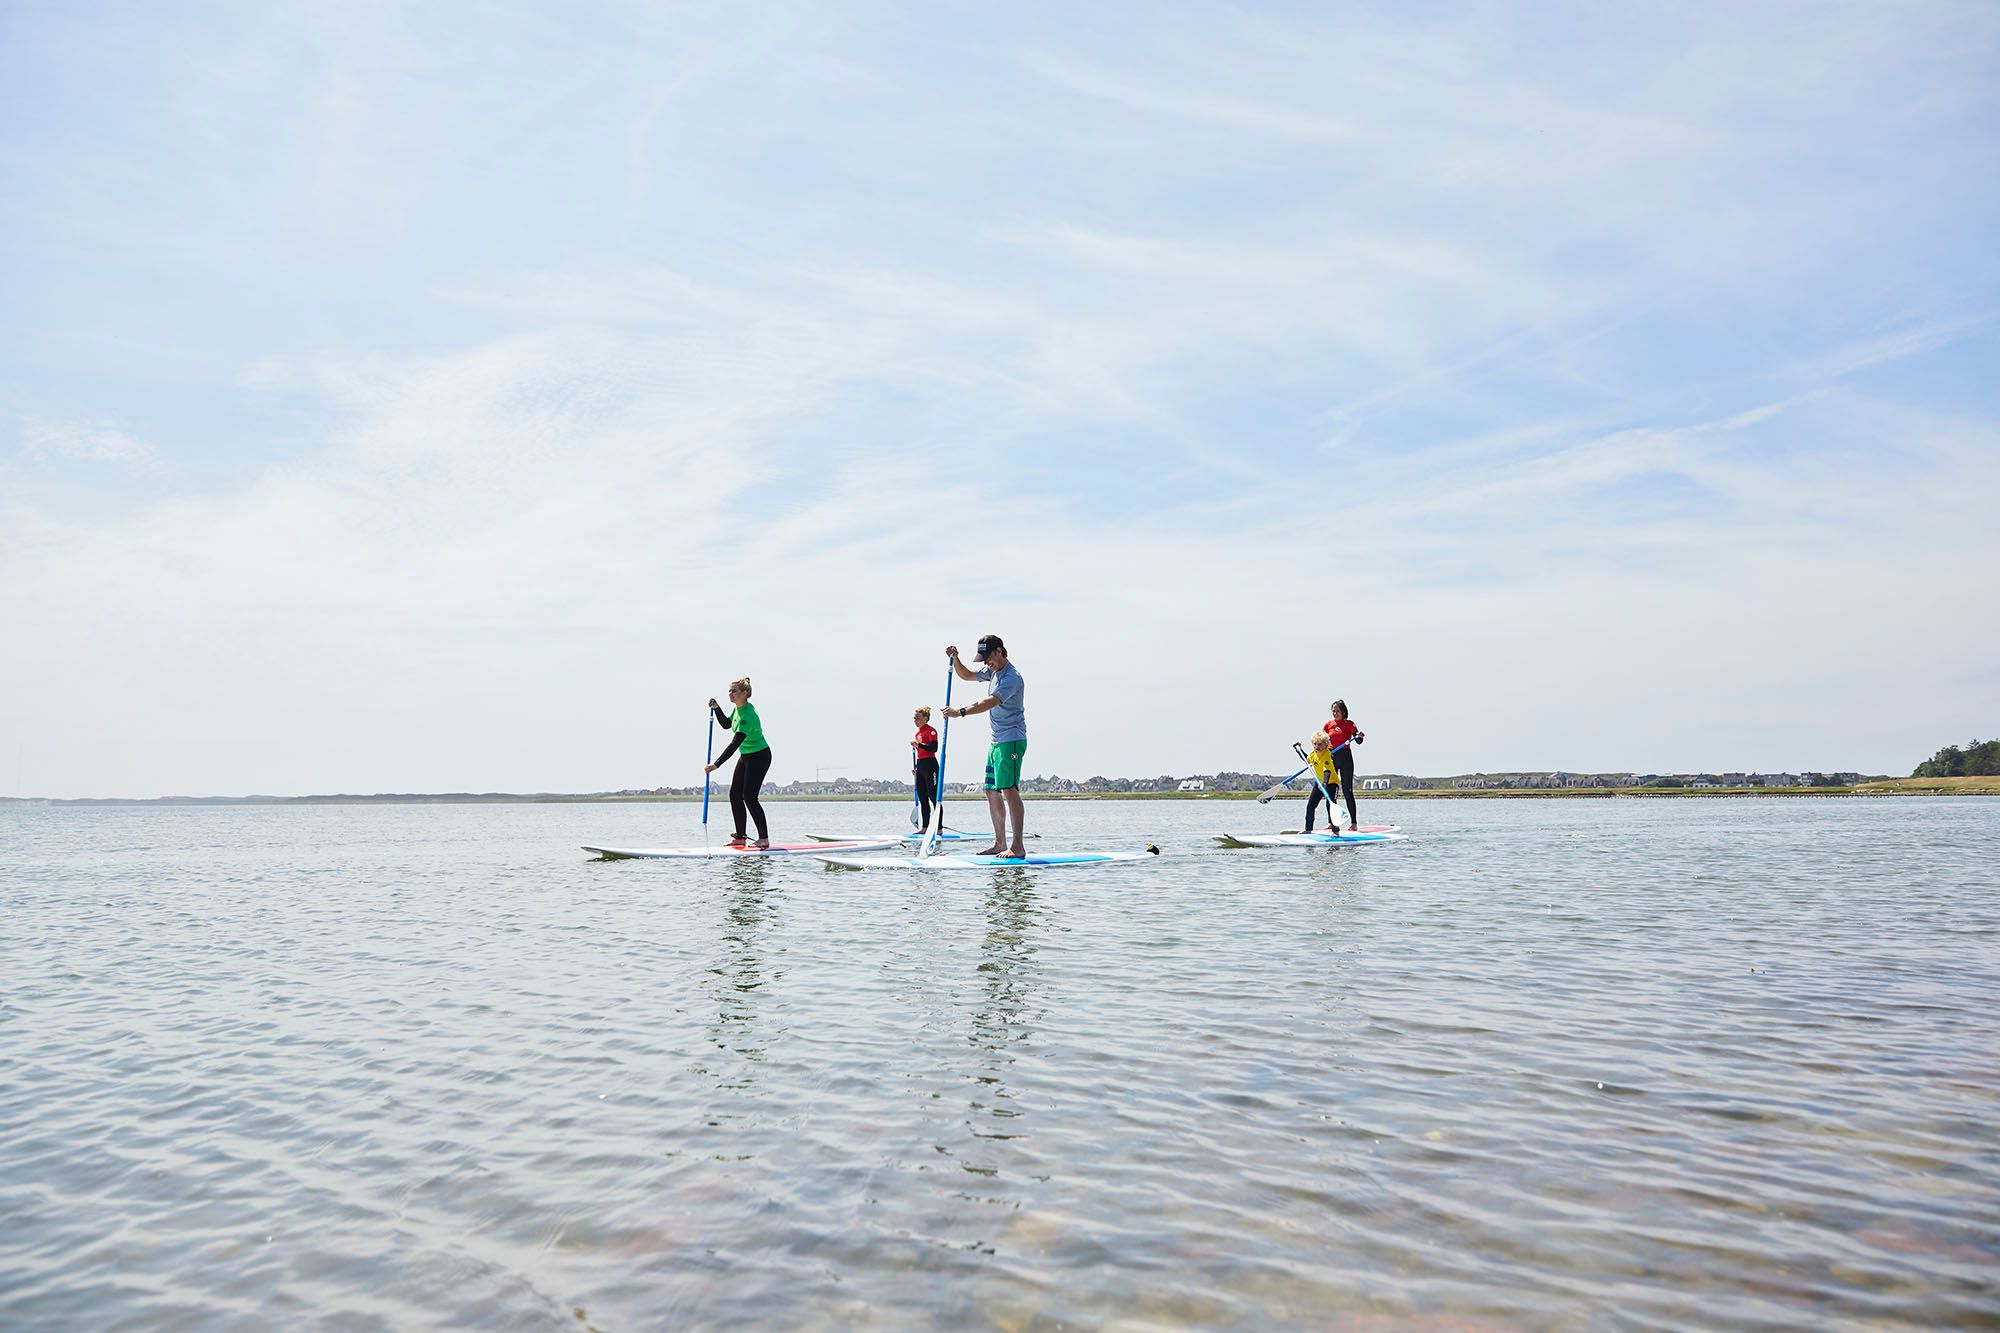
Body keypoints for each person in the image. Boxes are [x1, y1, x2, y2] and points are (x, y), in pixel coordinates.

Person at [941, 635, 1026, 858]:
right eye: (984, 659)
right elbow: (967, 675)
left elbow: (989, 702)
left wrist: (960, 712)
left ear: (1000, 651)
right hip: (996, 741)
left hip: (1012, 739)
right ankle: (1000, 843)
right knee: (990, 790)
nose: (987, 663)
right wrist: (956, 659)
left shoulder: (1011, 678)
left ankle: (1017, 847)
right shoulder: (993, 672)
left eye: (989, 658)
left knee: (1009, 790)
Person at [706, 677, 772, 848]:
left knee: (749, 797)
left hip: (759, 757)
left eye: (734, 691)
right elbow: (727, 724)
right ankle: (740, 837)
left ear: (745, 693)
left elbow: (735, 743)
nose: (730, 694)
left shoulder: (747, 716)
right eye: (729, 691)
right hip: (746, 756)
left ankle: (763, 838)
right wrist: (717, 708)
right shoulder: (738, 709)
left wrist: (716, 764)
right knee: (734, 794)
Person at [1320, 698, 1366, 831]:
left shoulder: (1349, 724)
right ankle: (1331, 822)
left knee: (1347, 791)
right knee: (1331, 791)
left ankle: (1354, 823)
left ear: (1343, 712)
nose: (1335, 713)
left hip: (1345, 757)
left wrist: (1360, 736)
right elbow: (1320, 742)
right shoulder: (1328, 725)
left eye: (1337, 711)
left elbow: (1358, 740)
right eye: (1333, 711)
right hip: (1331, 758)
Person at [1302, 732, 1342, 834]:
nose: (1317, 747)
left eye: (1320, 744)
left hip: (1332, 783)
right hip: (1320, 783)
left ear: (1326, 745)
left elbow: (1327, 771)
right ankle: (1308, 829)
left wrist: (1325, 783)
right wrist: (1299, 750)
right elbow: (1307, 759)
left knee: (1330, 806)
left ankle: (1335, 830)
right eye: (1315, 744)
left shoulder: (1326, 755)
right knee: (1311, 805)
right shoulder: (1313, 754)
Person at [912, 705, 941, 832]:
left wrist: (919, 745)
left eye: (917, 718)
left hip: (931, 765)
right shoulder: (917, 733)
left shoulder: (931, 731)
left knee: (933, 797)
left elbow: (934, 748)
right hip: (921, 765)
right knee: (922, 798)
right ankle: (925, 827)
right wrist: (917, 769)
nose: (915, 720)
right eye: (914, 718)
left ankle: (939, 828)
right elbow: (920, 752)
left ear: (925, 718)